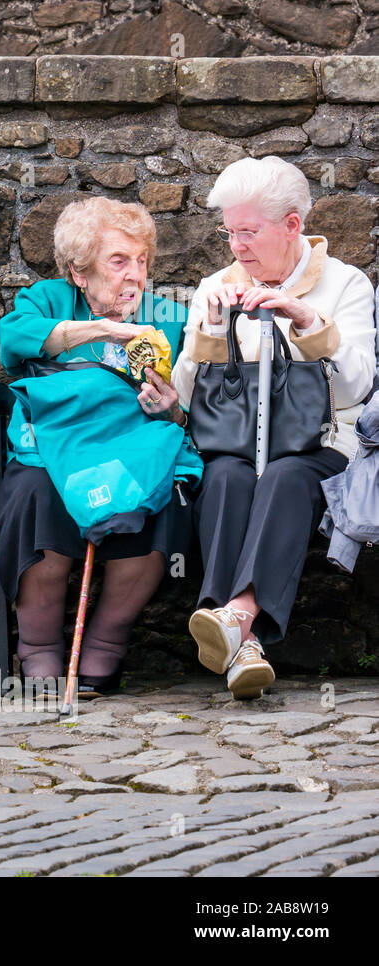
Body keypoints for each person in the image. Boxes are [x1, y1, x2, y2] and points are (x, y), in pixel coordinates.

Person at [172, 156, 377, 699]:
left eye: (249, 231)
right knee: (225, 479)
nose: (236, 246)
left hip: (322, 443)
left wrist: (308, 321)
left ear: (292, 225)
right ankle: (244, 644)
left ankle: (234, 618)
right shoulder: (216, 285)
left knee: (286, 477)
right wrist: (209, 332)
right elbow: (189, 401)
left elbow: (358, 387)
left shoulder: (345, 284)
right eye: (230, 231)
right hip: (239, 443)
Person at [0, 196, 190, 697]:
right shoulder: (47, 300)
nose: (135, 276)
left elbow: (191, 407)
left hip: (133, 444)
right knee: (36, 491)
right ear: (80, 273)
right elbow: (14, 340)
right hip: (55, 445)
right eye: (119, 261)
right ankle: (37, 648)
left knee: (167, 488)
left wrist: (170, 407)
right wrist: (105, 328)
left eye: (142, 261)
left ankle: (105, 641)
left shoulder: (167, 316)